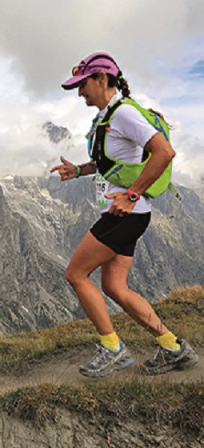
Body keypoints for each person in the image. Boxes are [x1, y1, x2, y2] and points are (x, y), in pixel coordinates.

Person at [52, 52, 198, 377]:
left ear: (102, 79)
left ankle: (112, 348)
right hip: (130, 215)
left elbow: (164, 152)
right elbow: (111, 162)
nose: (79, 93)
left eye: (83, 84)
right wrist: (77, 170)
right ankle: (174, 348)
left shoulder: (123, 115)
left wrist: (131, 196)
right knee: (116, 287)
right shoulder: (109, 116)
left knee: (75, 274)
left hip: (125, 215)